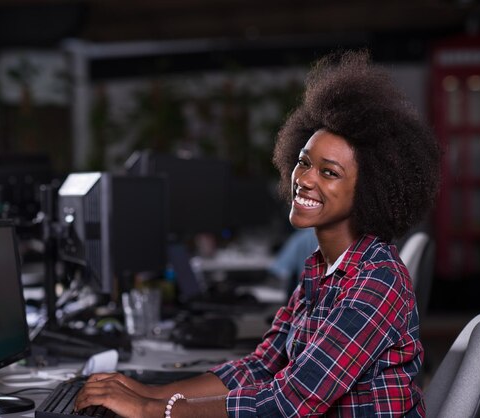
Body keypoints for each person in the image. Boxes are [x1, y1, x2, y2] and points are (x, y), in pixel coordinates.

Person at [74, 50, 441, 417]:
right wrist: (152, 394)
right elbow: (262, 366)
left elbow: (290, 401)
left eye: (329, 173)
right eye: (304, 162)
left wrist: (153, 412)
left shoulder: (377, 281)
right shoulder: (322, 268)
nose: (305, 180)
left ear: (371, 189)